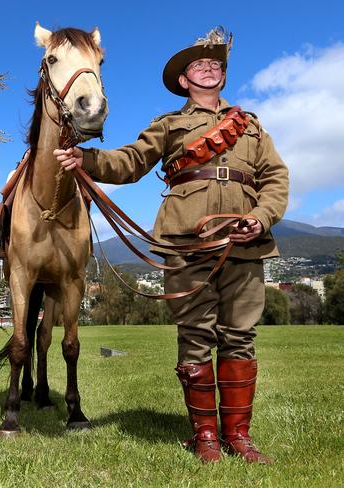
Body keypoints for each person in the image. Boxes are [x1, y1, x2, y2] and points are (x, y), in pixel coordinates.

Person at [55, 28, 288, 464]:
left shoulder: (252, 126)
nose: (207, 69)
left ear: (222, 76)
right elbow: (129, 162)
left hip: (245, 240)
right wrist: (84, 159)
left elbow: (276, 179)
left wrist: (261, 217)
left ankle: (238, 436)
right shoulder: (168, 125)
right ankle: (204, 438)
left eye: (215, 64)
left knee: (240, 338)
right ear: (184, 80)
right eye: (197, 65)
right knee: (196, 338)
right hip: (186, 240)